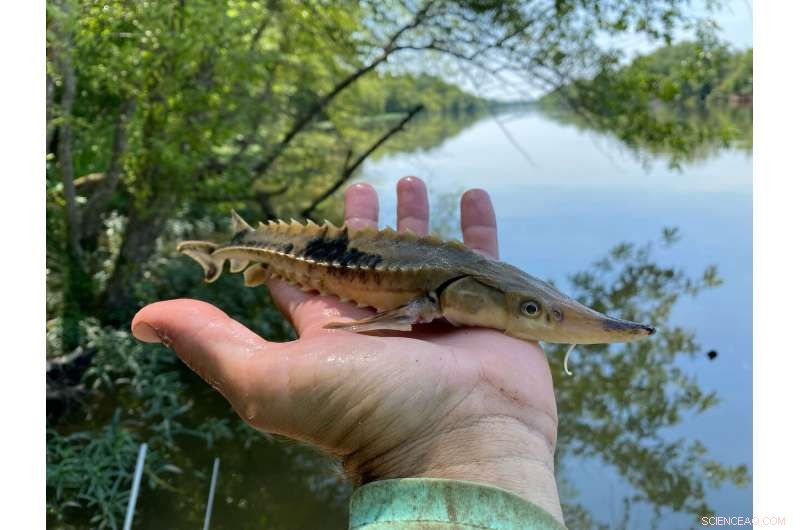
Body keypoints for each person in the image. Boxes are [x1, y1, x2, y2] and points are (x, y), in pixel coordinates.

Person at [132, 177, 566, 529]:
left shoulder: (463, 288)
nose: (531, 316)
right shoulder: (428, 296)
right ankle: (220, 256)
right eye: (529, 309)